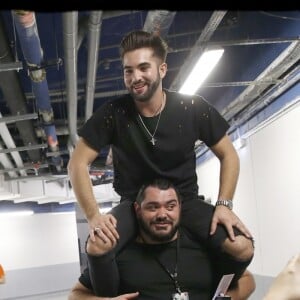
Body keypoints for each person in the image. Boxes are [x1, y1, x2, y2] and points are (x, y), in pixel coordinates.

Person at [67, 30, 254, 295]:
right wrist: (93, 215)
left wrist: (224, 205)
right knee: (97, 245)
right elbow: (76, 164)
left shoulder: (192, 107)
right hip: (134, 205)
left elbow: (229, 154)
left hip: (184, 202)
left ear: (162, 69)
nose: (135, 78)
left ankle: (220, 292)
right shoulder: (113, 113)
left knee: (242, 247)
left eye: (143, 68)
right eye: (128, 71)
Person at [68, 178, 255, 300]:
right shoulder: (121, 253)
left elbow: (247, 280)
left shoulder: (202, 245)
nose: (162, 214)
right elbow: (76, 294)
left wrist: (228, 298)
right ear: (137, 210)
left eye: (170, 206)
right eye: (152, 207)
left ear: (180, 208)